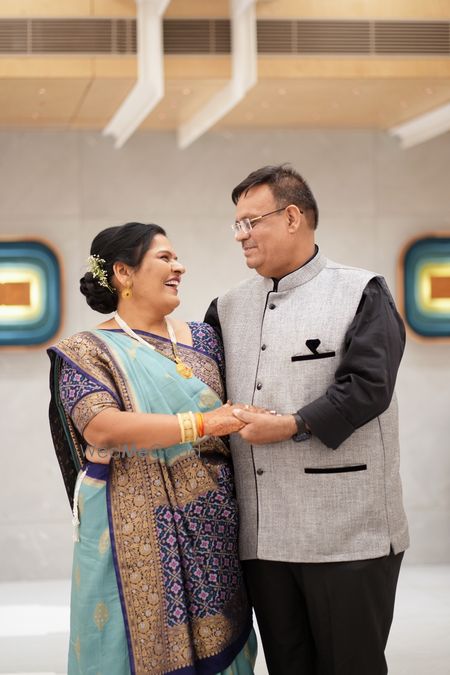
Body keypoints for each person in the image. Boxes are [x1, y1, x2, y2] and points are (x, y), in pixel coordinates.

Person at [205, 165, 409, 675]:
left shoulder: (362, 291)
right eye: (236, 225)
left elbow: (368, 387)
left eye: (251, 222)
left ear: (292, 216)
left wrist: (293, 425)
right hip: (263, 540)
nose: (241, 235)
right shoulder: (225, 308)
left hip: (347, 533)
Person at [47, 222, 257, 675]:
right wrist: (203, 423)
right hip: (136, 535)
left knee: (226, 645)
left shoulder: (206, 339)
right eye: (164, 257)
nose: (179, 266)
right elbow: (100, 426)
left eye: (176, 257)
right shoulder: (88, 351)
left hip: (214, 527)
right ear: (123, 272)